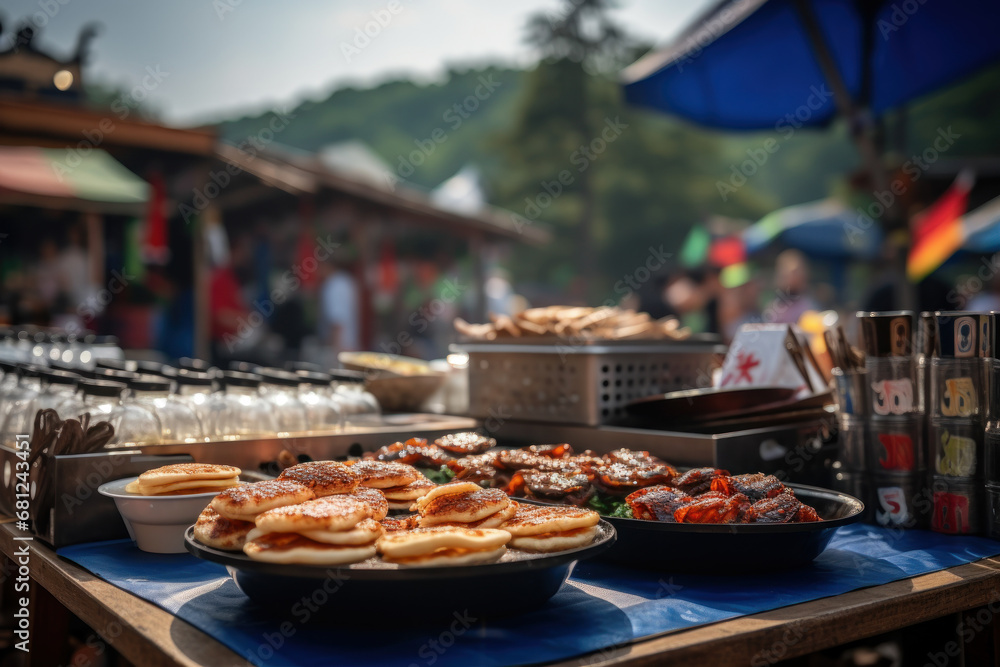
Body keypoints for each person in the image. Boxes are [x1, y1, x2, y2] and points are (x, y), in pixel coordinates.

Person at [318, 259, 360, 361]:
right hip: (350, 346)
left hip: (341, 348)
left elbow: (337, 321)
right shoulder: (346, 280)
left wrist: (335, 354)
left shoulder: (334, 285)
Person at [767, 250, 818, 325]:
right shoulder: (771, 308)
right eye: (784, 273)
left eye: (795, 273)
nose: (791, 278)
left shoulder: (810, 306)